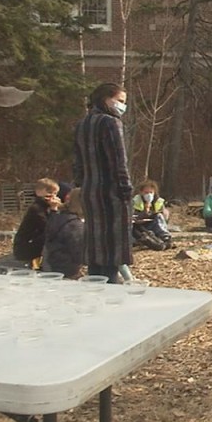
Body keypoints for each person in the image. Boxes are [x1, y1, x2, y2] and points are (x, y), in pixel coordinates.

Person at [73, 82, 134, 284]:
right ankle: (110, 285)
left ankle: (95, 283)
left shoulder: (82, 124)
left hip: (90, 191)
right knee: (112, 245)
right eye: (120, 101)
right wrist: (125, 189)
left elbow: (78, 161)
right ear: (106, 99)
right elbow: (118, 159)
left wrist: (81, 184)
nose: (122, 106)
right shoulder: (110, 122)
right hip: (110, 191)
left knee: (95, 243)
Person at [13, 178, 62, 268]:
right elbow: (49, 227)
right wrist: (54, 210)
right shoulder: (36, 209)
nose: (52, 196)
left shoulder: (45, 207)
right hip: (27, 248)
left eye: (55, 193)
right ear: (39, 192)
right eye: (49, 192)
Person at [42, 188, 85, 279]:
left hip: (51, 263)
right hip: (67, 269)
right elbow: (78, 253)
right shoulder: (75, 225)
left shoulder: (58, 216)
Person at [132, 179, 172, 250]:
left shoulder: (158, 201)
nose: (149, 195)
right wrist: (144, 211)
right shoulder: (135, 201)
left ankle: (165, 238)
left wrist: (164, 214)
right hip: (140, 226)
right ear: (141, 192)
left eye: (151, 192)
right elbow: (133, 216)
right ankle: (141, 241)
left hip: (154, 225)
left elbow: (163, 217)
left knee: (159, 216)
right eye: (146, 192)